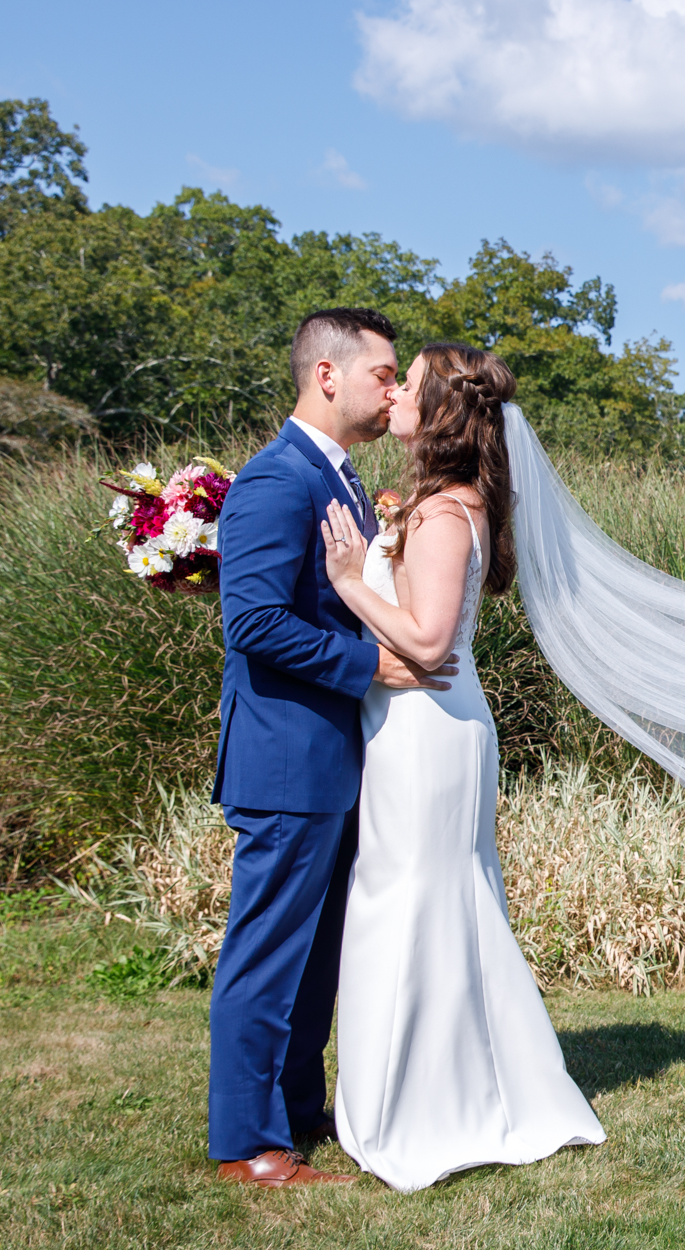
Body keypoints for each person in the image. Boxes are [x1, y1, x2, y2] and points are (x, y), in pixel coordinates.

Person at [318, 342, 606, 1192]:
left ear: (439, 410)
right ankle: (445, 1089)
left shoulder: (445, 515)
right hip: (418, 725)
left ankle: (423, 1108)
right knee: (430, 902)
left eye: (407, 383)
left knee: (411, 903)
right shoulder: (437, 503)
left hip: (427, 730)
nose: (395, 392)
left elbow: (430, 641)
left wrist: (347, 579)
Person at [206, 309, 452, 1189]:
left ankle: (300, 1114)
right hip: (285, 756)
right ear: (327, 376)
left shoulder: (342, 481)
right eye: (384, 373)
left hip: (335, 758)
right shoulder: (277, 481)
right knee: (269, 951)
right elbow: (257, 623)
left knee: (316, 956)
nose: (394, 388)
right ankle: (245, 1141)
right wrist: (370, 665)